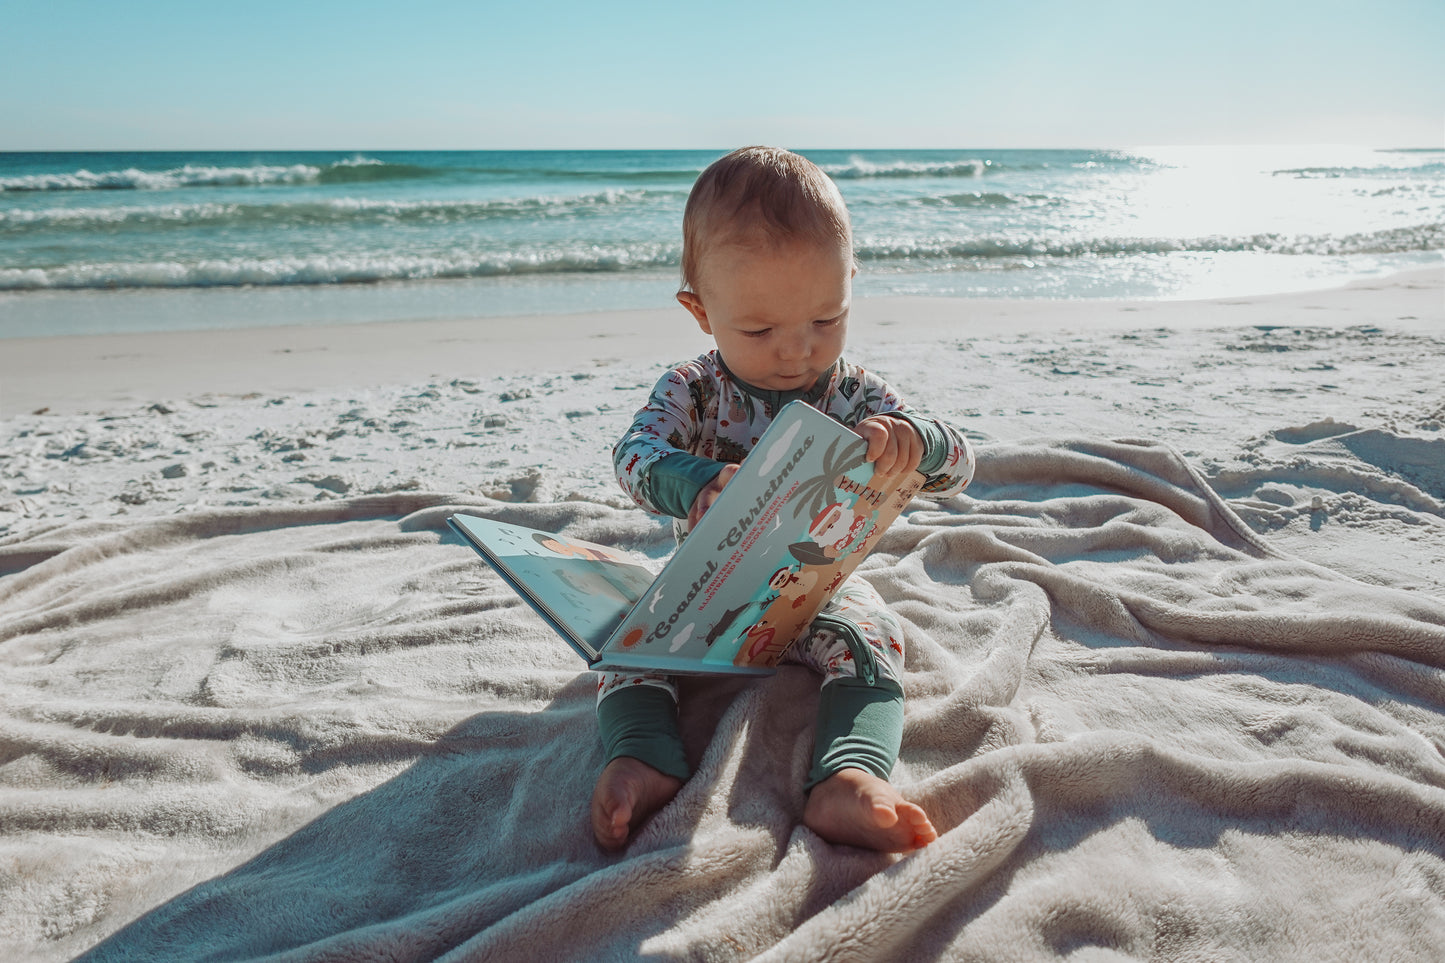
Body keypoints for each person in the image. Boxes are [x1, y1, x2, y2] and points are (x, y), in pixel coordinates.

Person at [592, 147, 975, 853]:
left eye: (825, 319)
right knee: (623, 649)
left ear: (849, 286)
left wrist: (914, 442)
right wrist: (695, 480)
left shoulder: (857, 393)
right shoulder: (693, 389)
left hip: (815, 594)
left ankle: (848, 778)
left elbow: (959, 462)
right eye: (760, 330)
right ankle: (642, 758)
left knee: (875, 639)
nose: (797, 351)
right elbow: (631, 456)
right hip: (703, 594)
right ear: (700, 311)